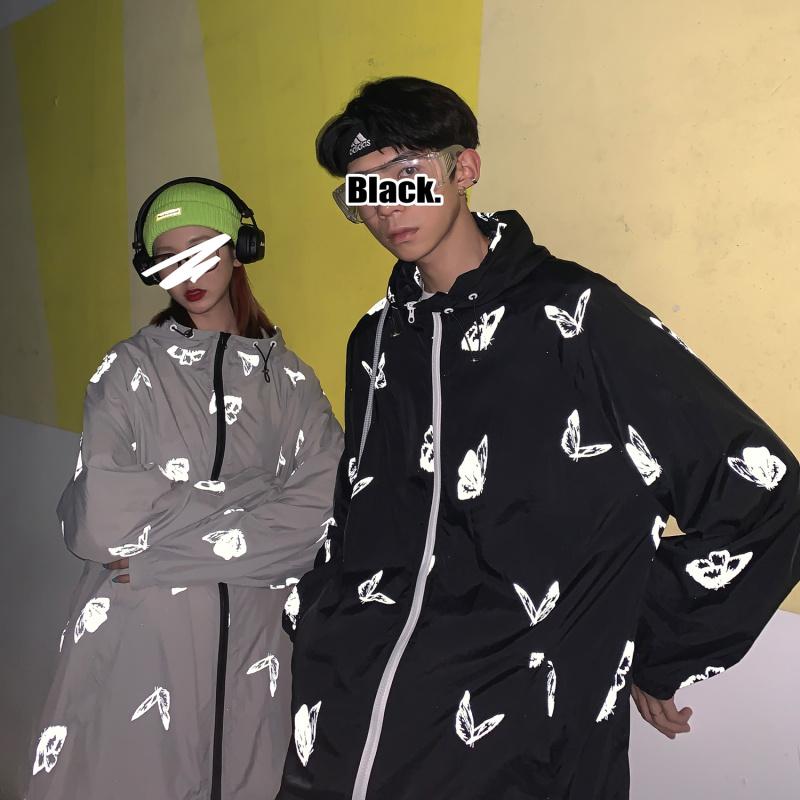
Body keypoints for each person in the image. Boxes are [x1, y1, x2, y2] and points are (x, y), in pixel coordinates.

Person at [276, 77, 800, 800]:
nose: (386, 206)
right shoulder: (377, 338)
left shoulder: (576, 317)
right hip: (347, 721)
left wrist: (653, 643)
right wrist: (318, 617)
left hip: (514, 745)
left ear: (464, 168)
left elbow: (766, 496)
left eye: (406, 174)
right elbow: (360, 508)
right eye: (362, 190)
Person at [26, 178, 343, 800]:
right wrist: (254, 495)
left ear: (239, 249)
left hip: (256, 651)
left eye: (202, 248)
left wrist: (164, 556)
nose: (187, 272)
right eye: (168, 257)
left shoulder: (291, 384)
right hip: (142, 646)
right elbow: (101, 519)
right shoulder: (128, 370)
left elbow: (323, 519)